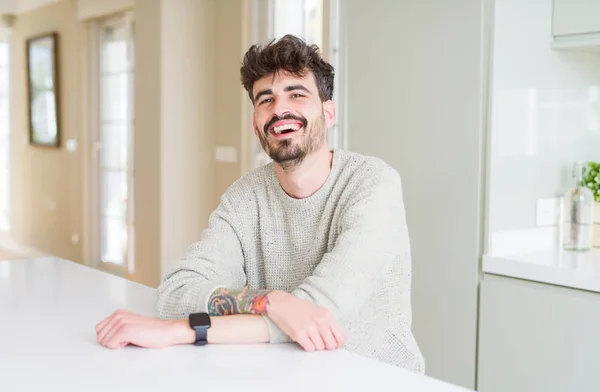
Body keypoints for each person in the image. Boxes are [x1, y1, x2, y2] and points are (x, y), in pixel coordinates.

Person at [95, 34, 425, 374]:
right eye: (265, 100)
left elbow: (319, 313)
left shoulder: (373, 183)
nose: (279, 109)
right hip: (284, 373)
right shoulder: (244, 197)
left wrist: (182, 331)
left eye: (296, 94)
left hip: (379, 377)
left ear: (328, 113)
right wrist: (271, 301)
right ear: (256, 125)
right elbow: (175, 293)